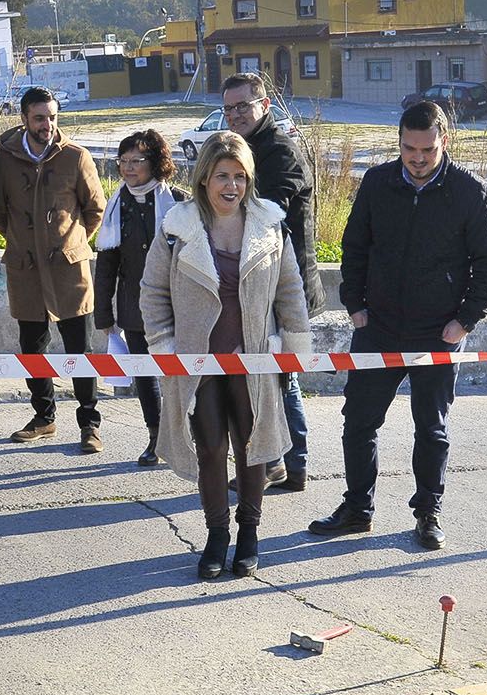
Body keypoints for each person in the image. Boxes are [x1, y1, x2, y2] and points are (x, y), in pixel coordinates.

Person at [308, 101, 487, 552]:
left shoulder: (470, 192)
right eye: (409, 149)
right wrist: (355, 304)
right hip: (377, 328)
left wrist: (464, 320)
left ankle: (428, 513)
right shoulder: (377, 183)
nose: (417, 159)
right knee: (358, 421)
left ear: (444, 142)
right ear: (398, 142)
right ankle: (357, 508)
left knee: (431, 429)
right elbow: (354, 246)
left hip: (438, 333)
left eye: (427, 150)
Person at [139, 132, 310, 579]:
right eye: (222, 176)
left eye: (240, 176)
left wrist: (292, 347)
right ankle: (217, 535)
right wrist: (166, 348)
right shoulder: (177, 229)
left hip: (253, 360)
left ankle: (249, 534)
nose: (231, 186)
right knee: (211, 448)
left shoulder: (271, 226)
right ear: (204, 179)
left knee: (254, 449)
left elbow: (290, 291)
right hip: (198, 364)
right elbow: (152, 292)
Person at [0, 86, 107, 453]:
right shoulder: (2, 162)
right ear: (24, 119)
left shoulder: (76, 157)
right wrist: (25, 242)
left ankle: (89, 424)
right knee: (32, 348)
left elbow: (95, 209)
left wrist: (70, 243)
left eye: (52, 117)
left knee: (80, 351)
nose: (47, 124)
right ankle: (44, 417)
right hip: (25, 270)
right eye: (40, 118)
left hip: (69, 272)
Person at [221, 72, 322, 492]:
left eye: (243, 106)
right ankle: (280, 463)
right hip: (259, 287)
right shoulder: (243, 151)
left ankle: (289, 464)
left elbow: (266, 216)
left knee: (280, 377)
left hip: (284, 290)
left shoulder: (279, 151)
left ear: (264, 106)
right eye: (229, 108)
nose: (235, 115)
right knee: (267, 377)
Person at [92, 130, 188, 466]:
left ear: (156, 163)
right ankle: (156, 437)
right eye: (124, 161)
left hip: (177, 306)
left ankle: (187, 436)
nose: (128, 168)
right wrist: (103, 315)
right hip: (134, 306)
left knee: (181, 374)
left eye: (137, 161)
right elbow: (106, 265)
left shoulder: (178, 202)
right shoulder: (117, 205)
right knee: (145, 376)